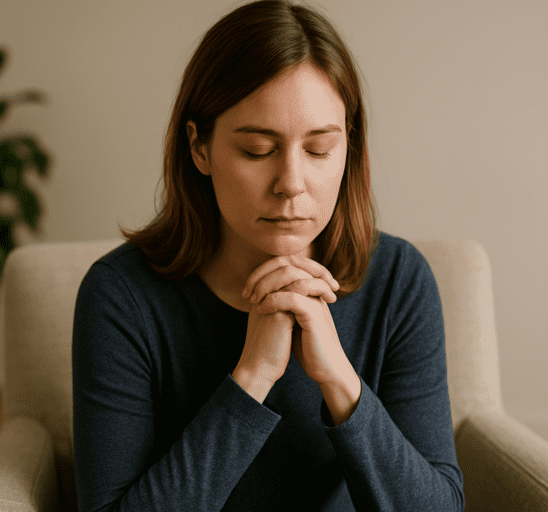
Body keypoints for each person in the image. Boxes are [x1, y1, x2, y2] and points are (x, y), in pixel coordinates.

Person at [72, 0, 464, 510]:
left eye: (320, 149)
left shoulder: (399, 280)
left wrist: (340, 382)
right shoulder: (121, 296)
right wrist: (252, 376)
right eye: (258, 149)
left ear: (349, 145)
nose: (291, 184)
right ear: (199, 148)